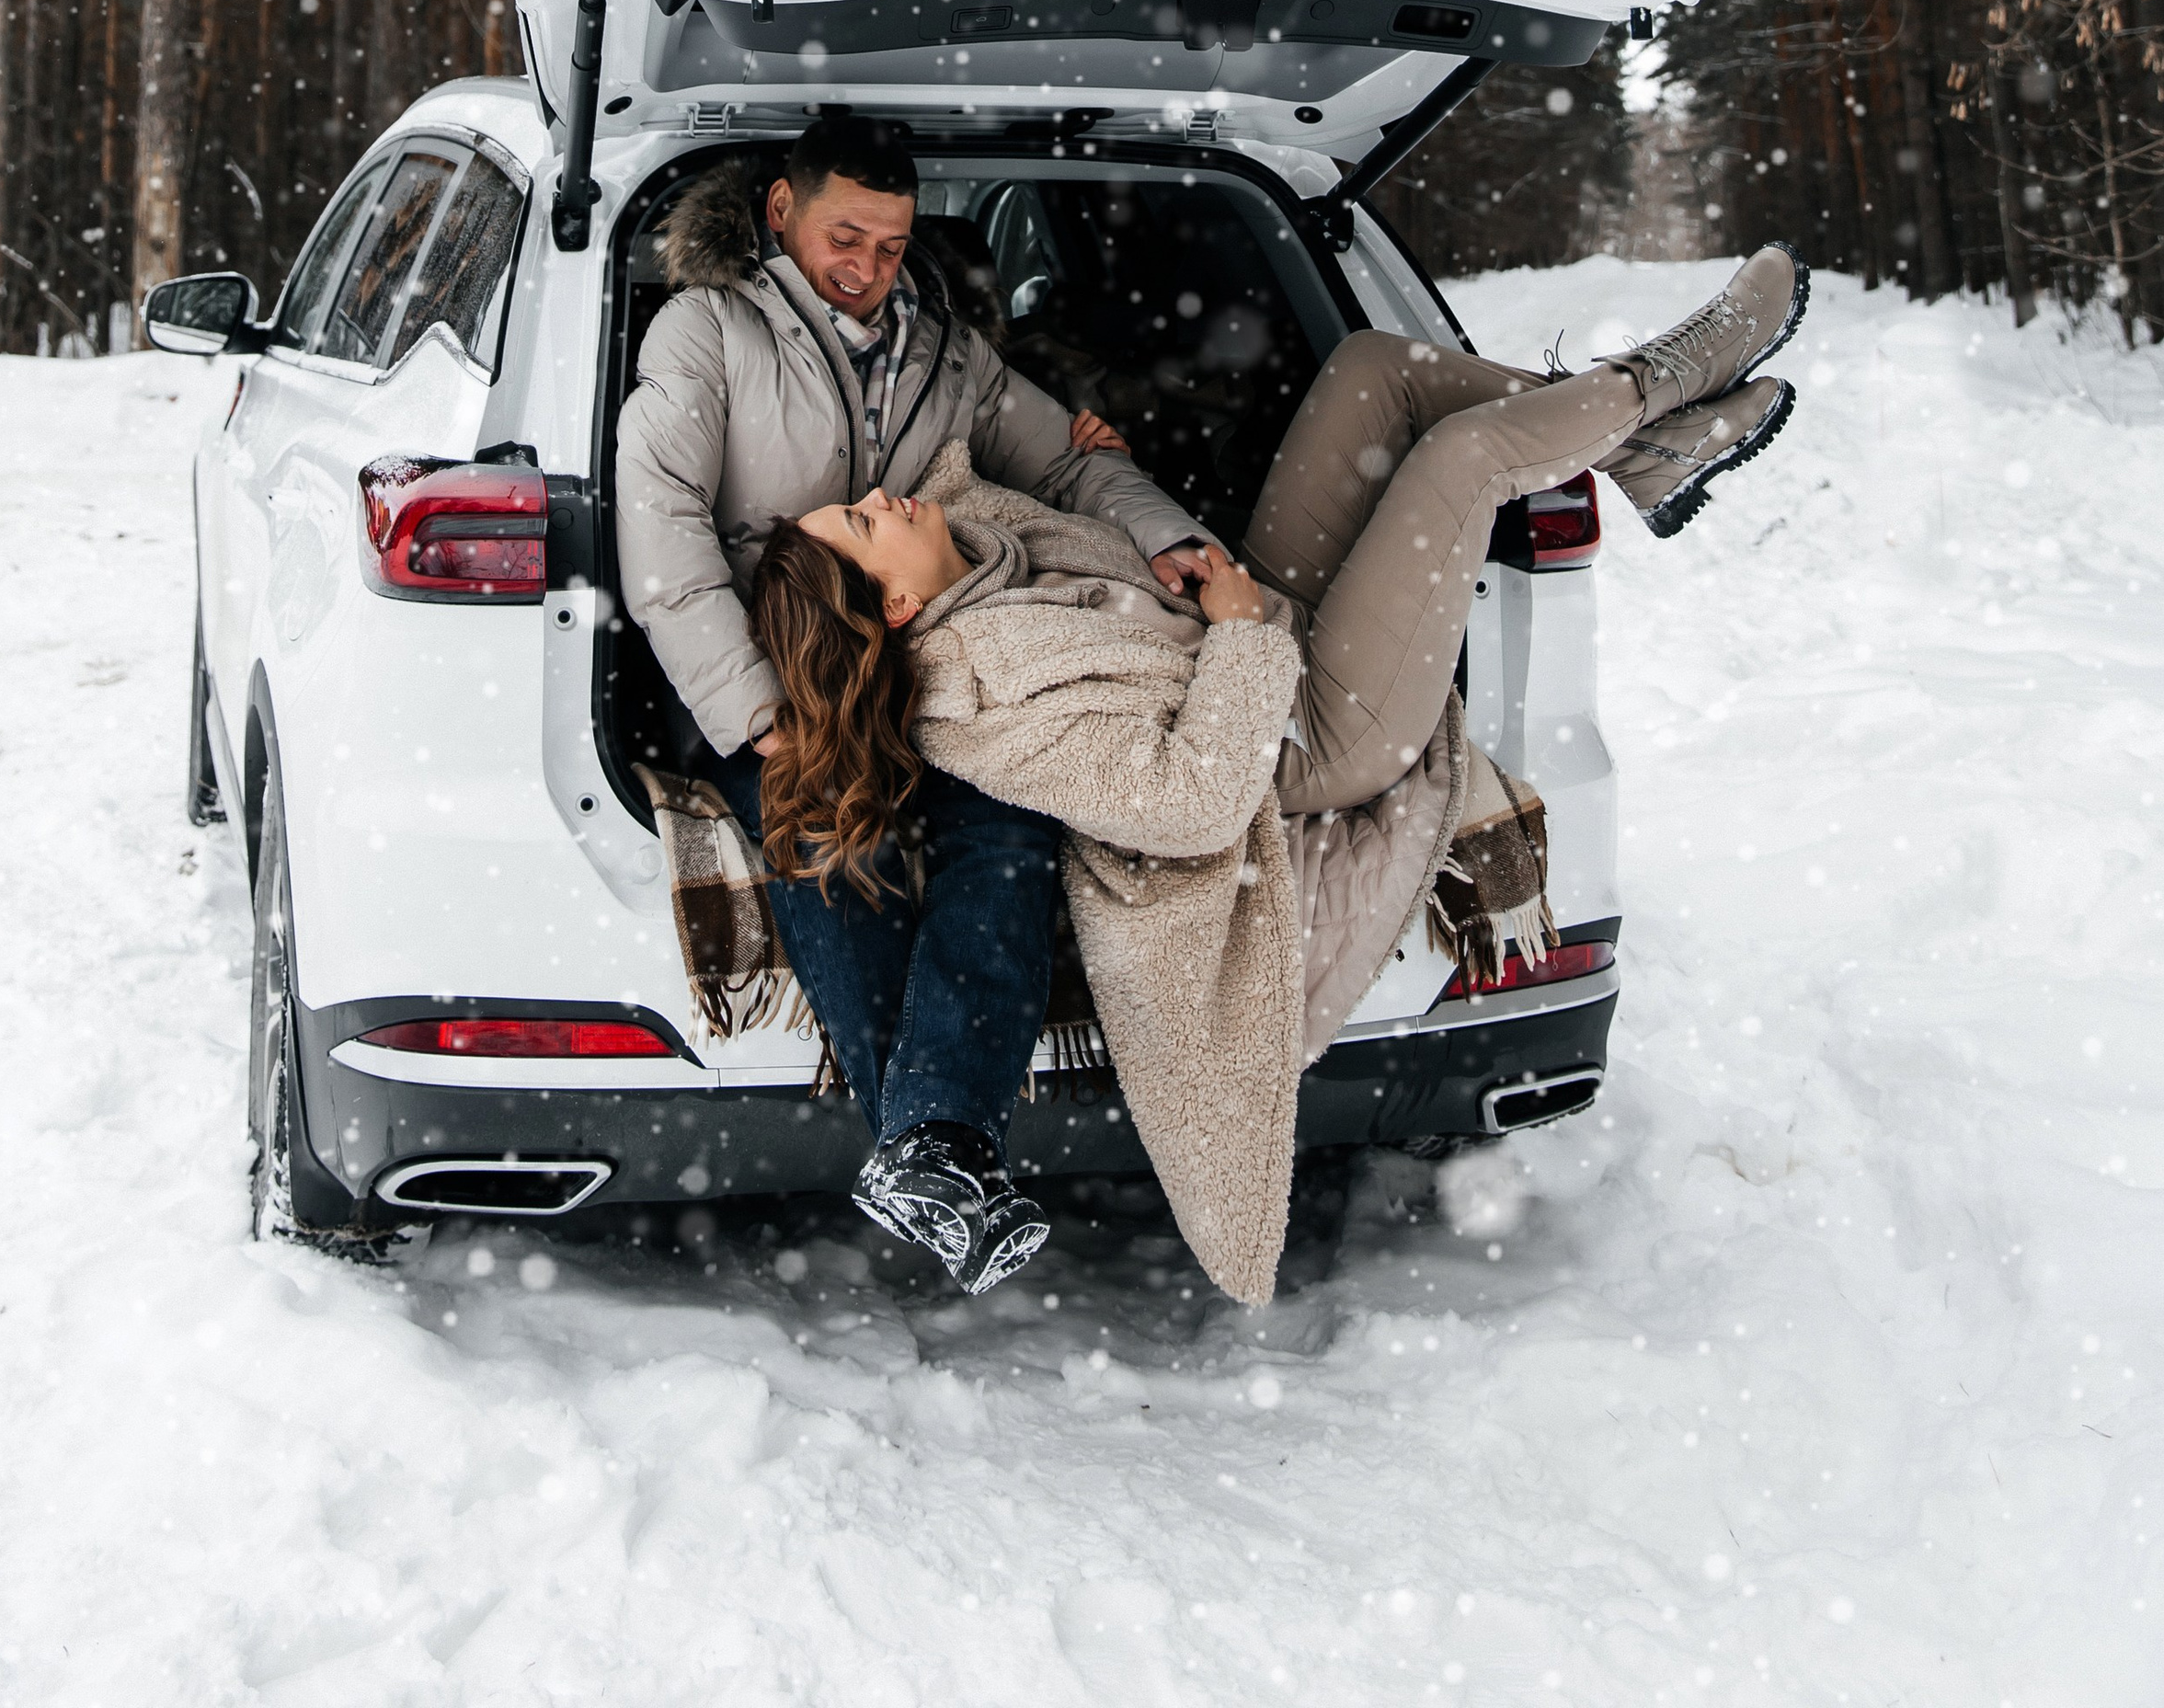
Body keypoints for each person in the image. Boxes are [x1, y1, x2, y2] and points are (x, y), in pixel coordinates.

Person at [749, 246, 1806, 1300]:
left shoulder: (973, 540)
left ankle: (1639, 450)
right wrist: (1245, 639)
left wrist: (1098, 460)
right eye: (858, 520)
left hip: (1249, 628)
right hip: (1304, 732)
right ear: (891, 610)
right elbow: (1194, 802)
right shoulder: (978, 708)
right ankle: (1670, 375)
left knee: (1368, 371)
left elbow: (974, 465)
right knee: (1464, 461)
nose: (877, 496)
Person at [613, 111, 1218, 1293]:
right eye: (847, 236)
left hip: (926, 661)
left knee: (1004, 832)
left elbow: (1070, 463)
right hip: (777, 668)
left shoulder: (946, 352)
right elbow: (662, 538)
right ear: (781, 214)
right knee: (840, 837)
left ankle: (929, 1148)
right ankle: (938, 1143)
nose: (871, 268)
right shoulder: (708, 331)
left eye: (894, 244)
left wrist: (1166, 534)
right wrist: (755, 714)